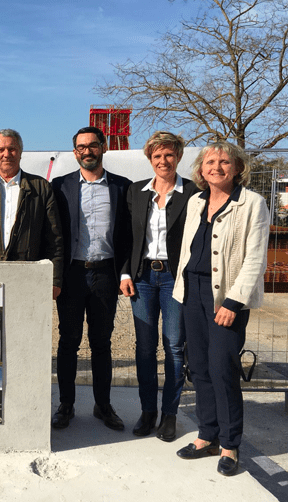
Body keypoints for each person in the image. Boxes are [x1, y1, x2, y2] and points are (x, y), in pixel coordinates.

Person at [173, 142, 269, 477]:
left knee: (222, 369)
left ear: (238, 167)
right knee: (198, 367)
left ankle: (229, 445)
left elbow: (256, 258)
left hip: (225, 298)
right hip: (192, 294)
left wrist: (233, 301)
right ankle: (207, 436)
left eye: (225, 161)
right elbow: (187, 250)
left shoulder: (252, 204)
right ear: (201, 169)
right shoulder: (195, 201)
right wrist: (180, 290)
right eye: (210, 161)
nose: (217, 166)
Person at [51, 126, 132, 431]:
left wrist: (124, 272)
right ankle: (66, 404)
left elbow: (127, 236)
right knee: (68, 342)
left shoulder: (121, 187)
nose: (87, 151)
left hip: (105, 275)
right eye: (81, 147)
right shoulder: (60, 186)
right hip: (72, 274)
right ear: (75, 153)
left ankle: (103, 405)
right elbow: (54, 236)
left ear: (103, 148)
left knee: (101, 343)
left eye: (93, 145)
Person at [119, 131, 197, 442]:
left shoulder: (193, 192)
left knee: (175, 347)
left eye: (168, 155)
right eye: (157, 156)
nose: (163, 161)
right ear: (150, 159)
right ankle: (147, 410)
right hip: (142, 278)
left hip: (176, 278)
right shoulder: (136, 192)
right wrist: (125, 274)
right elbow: (126, 237)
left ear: (178, 156)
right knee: (144, 348)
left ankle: (169, 414)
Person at [0, 129, 65, 299]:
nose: (6, 154)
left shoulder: (41, 187)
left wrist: (54, 279)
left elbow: (54, 238)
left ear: (20, 152)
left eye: (12, 149)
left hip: (28, 277)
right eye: (0, 150)